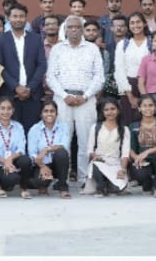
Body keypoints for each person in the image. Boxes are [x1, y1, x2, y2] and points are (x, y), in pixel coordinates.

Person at [46, 15, 105, 187]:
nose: (74, 30)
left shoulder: (92, 49)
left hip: (86, 99)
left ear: (82, 30)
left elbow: (99, 77)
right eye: (70, 27)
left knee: (86, 140)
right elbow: (51, 77)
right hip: (62, 99)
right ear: (64, 30)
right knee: (63, 140)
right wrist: (64, 95)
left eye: (77, 27)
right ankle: (62, 178)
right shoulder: (57, 49)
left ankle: (84, 178)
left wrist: (85, 96)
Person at [0, 3, 47, 133]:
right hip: (9, 95)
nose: (18, 19)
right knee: (10, 134)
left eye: (21, 16)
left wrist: (30, 88)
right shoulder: (0, 40)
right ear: (9, 18)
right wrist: (16, 87)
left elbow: (41, 65)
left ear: (26, 18)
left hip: (32, 95)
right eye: (15, 16)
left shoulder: (36, 39)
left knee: (32, 132)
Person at [0, 97, 33, 198]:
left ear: (13, 111)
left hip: (14, 162)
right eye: (2, 108)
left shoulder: (18, 127)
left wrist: (10, 159)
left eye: (9, 108)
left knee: (26, 160)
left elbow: (21, 149)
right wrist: (5, 162)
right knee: (11, 179)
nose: (6, 112)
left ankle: (23, 188)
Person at [85, 97, 131, 197]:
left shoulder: (124, 129)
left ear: (118, 110)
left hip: (116, 164)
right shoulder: (95, 127)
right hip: (100, 162)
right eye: (106, 110)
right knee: (96, 165)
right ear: (102, 112)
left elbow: (125, 153)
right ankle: (100, 188)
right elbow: (89, 150)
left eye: (113, 109)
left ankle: (109, 185)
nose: (110, 112)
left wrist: (123, 169)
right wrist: (94, 156)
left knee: (115, 189)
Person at [128, 95, 156, 197]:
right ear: (139, 108)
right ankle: (147, 185)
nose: (148, 108)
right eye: (144, 106)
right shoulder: (134, 126)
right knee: (139, 172)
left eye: (151, 105)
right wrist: (137, 158)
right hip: (143, 161)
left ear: (155, 107)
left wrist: (147, 152)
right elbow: (131, 148)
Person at [27, 100, 71, 198]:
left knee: (62, 153)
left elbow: (64, 146)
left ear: (56, 113)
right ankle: (43, 185)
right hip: (42, 164)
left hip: (58, 164)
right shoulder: (34, 129)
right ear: (41, 114)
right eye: (46, 111)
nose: (49, 114)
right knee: (40, 182)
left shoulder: (64, 127)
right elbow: (32, 154)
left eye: (52, 111)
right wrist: (43, 166)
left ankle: (63, 187)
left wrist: (46, 149)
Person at [115, 12, 151, 112]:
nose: (135, 25)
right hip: (128, 85)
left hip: (149, 84)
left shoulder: (152, 43)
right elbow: (119, 71)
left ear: (144, 23)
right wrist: (130, 96)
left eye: (138, 22)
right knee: (129, 118)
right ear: (128, 26)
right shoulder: (123, 44)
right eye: (132, 23)